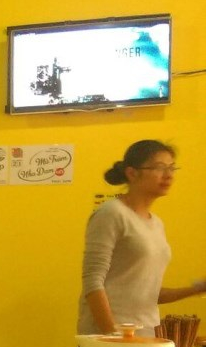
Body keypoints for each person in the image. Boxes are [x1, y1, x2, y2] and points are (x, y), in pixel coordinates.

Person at [78, 139, 203, 336]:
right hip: (108, 336)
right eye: (160, 168)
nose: (169, 175)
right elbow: (92, 281)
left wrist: (195, 289)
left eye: (172, 168)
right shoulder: (111, 213)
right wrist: (113, 335)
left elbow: (148, 293)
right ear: (132, 173)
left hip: (147, 333)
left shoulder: (157, 224)